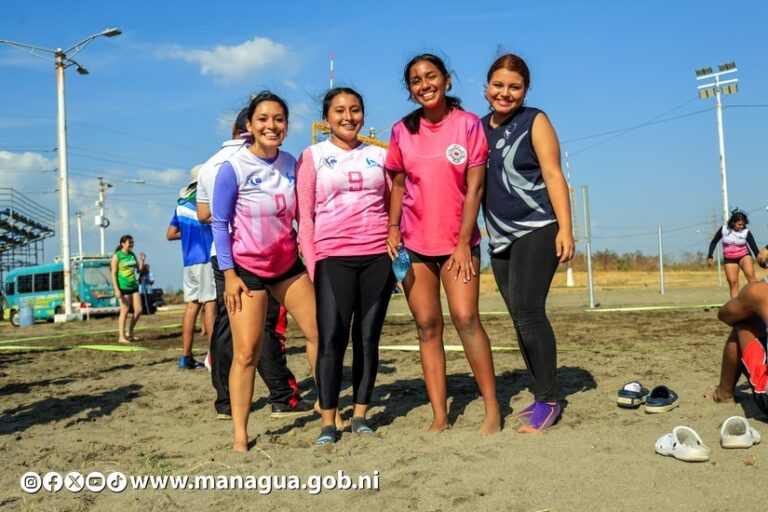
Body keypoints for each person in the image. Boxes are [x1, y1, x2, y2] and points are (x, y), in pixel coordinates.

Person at [385, 54, 500, 435]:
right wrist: (392, 227)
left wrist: (463, 243)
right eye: (416, 80)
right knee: (427, 326)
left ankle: (492, 409)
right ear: (410, 89)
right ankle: (440, 415)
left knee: (466, 320)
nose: (424, 85)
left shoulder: (468, 126)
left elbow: (475, 189)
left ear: (447, 80)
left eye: (430, 76)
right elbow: (398, 185)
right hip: (414, 245)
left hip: (458, 244)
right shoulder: (401, 131)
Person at [211, 91, 319, 452]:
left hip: (287, 266)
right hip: (248, 273)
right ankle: (240, 434)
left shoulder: (293, 163)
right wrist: (229, 275)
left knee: (321, 333)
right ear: (250, 125)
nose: (271, 125)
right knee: (246, 352)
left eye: (278, 119)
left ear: (286, 125)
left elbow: (304, 216)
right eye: (263, 119)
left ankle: (326, 406)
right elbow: (219, 224)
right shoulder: (233, 168)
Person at [481, 54, 575, 432]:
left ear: (525, 90)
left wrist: (566, 229)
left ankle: (549, 400)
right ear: (486, 87)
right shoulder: (475, 128)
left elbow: (553, 175)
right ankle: (539, 393)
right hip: (500, 235)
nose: (506, 93)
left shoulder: (534, 120)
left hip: (538, 227)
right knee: (518, 317)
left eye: (514, 87)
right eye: (498, 85)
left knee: (529, 310)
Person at [297, 87, 394, 445]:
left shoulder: (380, 156)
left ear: (363, 115)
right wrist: (314, 266)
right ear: (327, 119)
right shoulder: (313, 155)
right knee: (331, 340)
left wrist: (392, 253)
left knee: (367, 339)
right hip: (332, 258)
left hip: (375, 259)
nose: (348, 117)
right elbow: (304, 217)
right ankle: (327, 421)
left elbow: (390, 204)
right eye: (339, 111)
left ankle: (360, 415)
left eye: (355, 110)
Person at [167, 166, 217, 370]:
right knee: (211, 306)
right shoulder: (207, 202)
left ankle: (186, 356)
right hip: (206, 258)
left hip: (189, 261)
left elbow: (170, 234)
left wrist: (188, 236)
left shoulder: (180, 206)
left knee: (192, 307)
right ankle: (214, 356)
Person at [709, 278, 768, 417]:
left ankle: (724, 393)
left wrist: (752, 304)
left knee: (743, 323)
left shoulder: (759, 291)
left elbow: (724, 315)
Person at [707, 209, 760, 299]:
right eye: (739, 224)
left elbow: (755, 249)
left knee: (750, 276)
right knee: (733, 282)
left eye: (743, 224)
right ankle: (736, 306)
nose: (741, 226)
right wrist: (710, 256)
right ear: (733, 222)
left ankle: (758, 300)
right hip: (729, 258)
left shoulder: (746, 232)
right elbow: (713, 242)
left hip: (744, 255)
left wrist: (761, 261)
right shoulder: (724, 229)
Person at [110, 234, 145, 344]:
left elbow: (139, 269)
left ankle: (130, 332)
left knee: (138, 310)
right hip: (123, 287)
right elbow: (113, 273)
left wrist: (142, 260)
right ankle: (121, 336)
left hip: (133, 286)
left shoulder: (132, 255)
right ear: (123, 244)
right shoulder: (117, 256)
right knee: (124, 310)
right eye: (130, 242)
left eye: (132, 242)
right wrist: (116, 289)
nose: (132, 245)